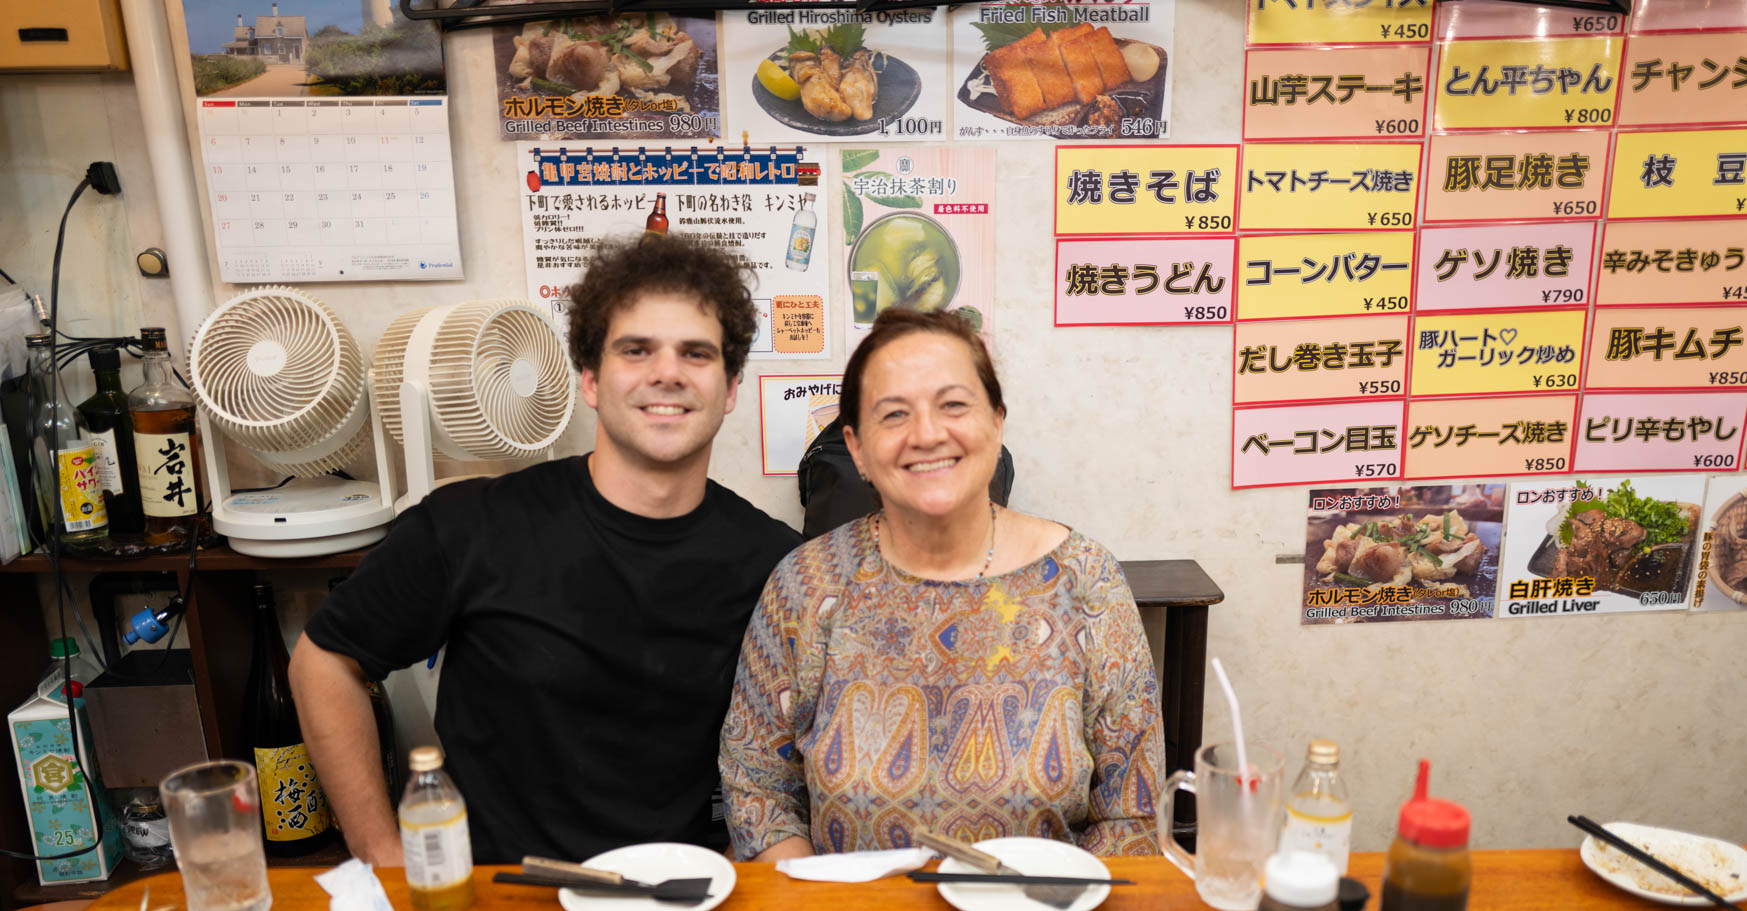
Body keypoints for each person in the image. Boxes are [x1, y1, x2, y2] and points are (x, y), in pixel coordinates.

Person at [290, 236, 799, 865]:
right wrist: (378, 850)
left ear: (728, 389)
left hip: (690, 901)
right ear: (589, 379)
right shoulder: (471, 524)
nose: (666, 372)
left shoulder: (779, 564)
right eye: (635, 350)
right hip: (505, 905)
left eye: (695, 353)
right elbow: (324, 661)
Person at [720, 308, 1163, 861]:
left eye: (953, 405)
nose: (927, 434)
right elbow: (757, 786)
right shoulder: (806, 585)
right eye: (893, 414)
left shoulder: (1086, 580)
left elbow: (1132, 812)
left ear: (997, 422)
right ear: (856, 448)